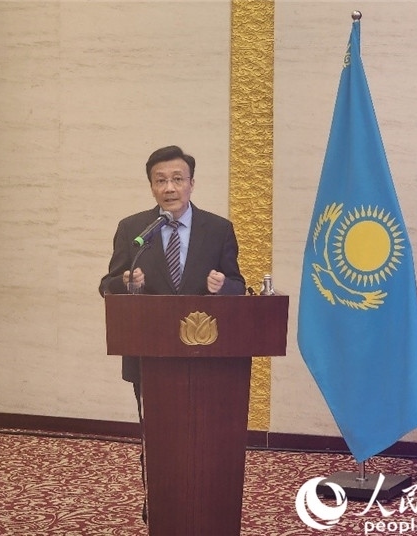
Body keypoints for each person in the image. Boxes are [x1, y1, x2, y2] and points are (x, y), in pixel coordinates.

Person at [98, 145, 246, 522]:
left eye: (177, 179)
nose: (169, 187)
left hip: (208, 356)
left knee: (205, 435)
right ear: (151, 186)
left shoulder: (218, 229)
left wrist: (223, 287)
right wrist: (125, 283)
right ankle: (159, 501)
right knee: (158, 436)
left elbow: (239, 285)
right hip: (150, 356)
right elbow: (106, 285)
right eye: (160, 180)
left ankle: (208, 504)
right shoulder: (133, 230)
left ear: (192, 183)